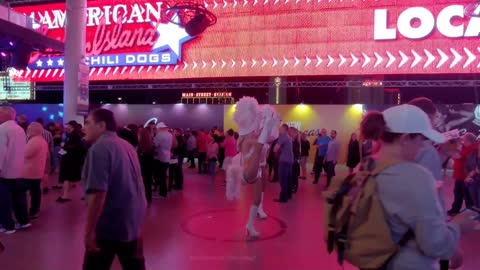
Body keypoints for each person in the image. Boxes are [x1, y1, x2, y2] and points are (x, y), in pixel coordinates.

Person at [359, 104, 462, 270]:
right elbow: (434, 244)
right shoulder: (415, 176)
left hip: (373, 261)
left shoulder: (365, 166)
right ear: (405, 138)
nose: (422, 146)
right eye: (420, 139)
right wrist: (458, 227)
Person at [82, 109, 147, 270]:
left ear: (101, 125)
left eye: (87, 123)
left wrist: (89, 231)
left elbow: (98, 194)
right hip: (132, 222)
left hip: (110, 225)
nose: (84, 128)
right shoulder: (126, 145)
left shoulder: (100, 148)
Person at [226, 97, 279, 238]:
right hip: (245, 172)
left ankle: (249, 225)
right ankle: (251, 222)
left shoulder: (251, 137)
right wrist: (266, 125)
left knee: (256, 200)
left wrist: (267, 124)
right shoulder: (246, 140)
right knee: (258, 147)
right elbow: (259, 143)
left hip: (254, 173)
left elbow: (266, 138)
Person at [408, 97, 447, 216]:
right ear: (427, 118)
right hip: (427, 220)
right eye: (435, 117)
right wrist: (456, 227)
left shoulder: (410, 145)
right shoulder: (426, 149)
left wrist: (444, 154)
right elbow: (428, 197)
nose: (436, 123)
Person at [0, 107, 28, 234]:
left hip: (5, 171)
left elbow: (1, 152)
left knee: (3, 199)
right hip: (19, 169)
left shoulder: (2, 129)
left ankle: (7, 225)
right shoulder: (20, 129)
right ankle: (23, 221)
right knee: (19, 197)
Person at [448, 133, 477, 216]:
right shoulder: (467, 147)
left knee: (467, 197)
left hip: (465, 176)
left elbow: (457, 156)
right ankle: (455, 211)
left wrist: (450, 148)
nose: (462, 140)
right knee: (459, 194)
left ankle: (468, 216)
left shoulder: (471, 148)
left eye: (463, 139)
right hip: (462, 175)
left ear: (468, 140)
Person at [23, 122, 48, 219]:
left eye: (29, 129)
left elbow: (26, 154)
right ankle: (35, 210)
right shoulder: (41, 140)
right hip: (36, 171)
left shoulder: (34, 141)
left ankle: (30, 211)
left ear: (34, 130)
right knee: (36, 192)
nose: (27, 130)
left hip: (29, 172)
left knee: (23, 192)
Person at [57, 120, 86, 202]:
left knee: (69, 177)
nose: (66, 127)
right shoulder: (71, 135)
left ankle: (65, 195)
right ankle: (65, 195)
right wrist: (62, 151)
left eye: (68, 125)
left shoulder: (74, 135)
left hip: (71, 160)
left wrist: (63, 148)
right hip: (70, 159)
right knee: (72, 178)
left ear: (72, 126)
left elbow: (72, 148)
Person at [274, 124, 294, 203]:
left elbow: (275, 148)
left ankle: (283, 198)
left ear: (285, 129)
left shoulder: (283, 136)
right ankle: (289, 195)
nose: (279, 129)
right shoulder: (288, 137)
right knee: (288, 178)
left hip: (284, 160)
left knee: (283, 180)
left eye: (280, 128)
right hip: (289, 160)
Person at [153, 122, 172, 197]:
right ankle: (163, 192)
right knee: (163, 175)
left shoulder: (159, 135)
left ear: (160, 128)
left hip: (160, 157)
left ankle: (162, 193)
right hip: (167, 156)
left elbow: (155, 144)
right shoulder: (170, 134)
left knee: (160, 176)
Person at [138, 128, 154, 205]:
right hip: (150, 167)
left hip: (142, 168)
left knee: (142, 184)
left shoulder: (139, 147)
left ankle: (143, 199)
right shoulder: (151, 145)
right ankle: (148, 199)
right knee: (148, 183)